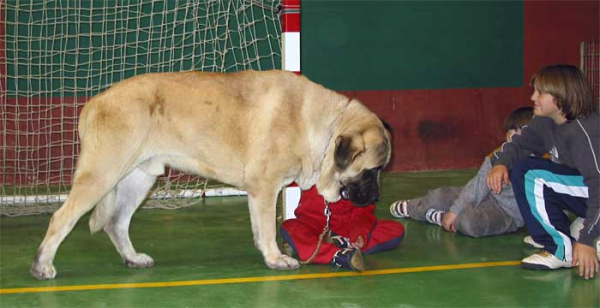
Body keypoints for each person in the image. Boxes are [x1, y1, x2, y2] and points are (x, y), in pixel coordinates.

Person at [487, 64, 599, 279]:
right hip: (585, 190)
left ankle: (560, 250)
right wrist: (501, 163)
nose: (532, 97)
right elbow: (520, 144)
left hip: (596, 191)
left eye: (540, 92)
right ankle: (560, 232)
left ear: (561, 97)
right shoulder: (545, 121)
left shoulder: (586, 133)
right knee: (523, 167)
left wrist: (586, 242)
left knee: (532, 174)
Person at [389, 106, 535, 238]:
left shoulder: (539, 161)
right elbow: (477, 187)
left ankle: (445, 218)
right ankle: (414, 207)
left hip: (507, 214)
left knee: (471, 223)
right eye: (509, 131)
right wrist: (455, 210)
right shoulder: (498, 155)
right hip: (486, 196)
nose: (511, 136)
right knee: (440, 197)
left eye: (517, 131)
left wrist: (455, 213)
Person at [281, 186, 405, 271]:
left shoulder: (359, 173)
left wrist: (359, 233)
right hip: (313, 222)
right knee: (290, 227)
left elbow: (363, 212)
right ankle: (338, 255)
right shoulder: (314, 159)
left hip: (347, 227)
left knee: (396, 230)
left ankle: (342, 242)